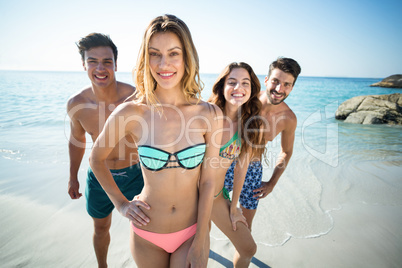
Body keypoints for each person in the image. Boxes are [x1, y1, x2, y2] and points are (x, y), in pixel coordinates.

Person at [89, 14, 222, 268]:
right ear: (145, 58)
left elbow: (207, 181)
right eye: (154, 54)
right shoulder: (131, 112)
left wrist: (203, 237)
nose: (164, 64)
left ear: (187, 57)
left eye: (173, 53)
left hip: (191, 232)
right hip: (146, 234)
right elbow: (96, 159)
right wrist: (122, 205)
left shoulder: (209, 114)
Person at [66, 33, 144, 268]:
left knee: (146, 225)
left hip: (136, 174)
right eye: (92, 61)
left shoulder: (136, 97)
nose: (100, 68)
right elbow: (76, 141)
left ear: (116, 64)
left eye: (107, 61)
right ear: (84, 65)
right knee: (101, 227)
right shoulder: (77, 104)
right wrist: (72, 177)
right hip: (99, 177)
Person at [225, 57, 301, 230]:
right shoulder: (245, 100)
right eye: (275, 81)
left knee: (244, 228)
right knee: (204, 218)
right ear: (266, 80)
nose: (279, 89)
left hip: (252, 171)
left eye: (287, 84)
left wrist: (272, 182)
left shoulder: (288, 119)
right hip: (224, 163)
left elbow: (286, 152)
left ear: (292, 87)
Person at [208, 62, 264, 267]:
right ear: (222, 87)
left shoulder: (250, 123)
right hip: (189, 195)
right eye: (232, 82)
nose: (238, 88)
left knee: (248, 248)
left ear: (252, 89)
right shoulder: (206, 113)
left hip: (216, 196)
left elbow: (241, 169)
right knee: (197, 250)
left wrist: (233, 207)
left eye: (245, 83)